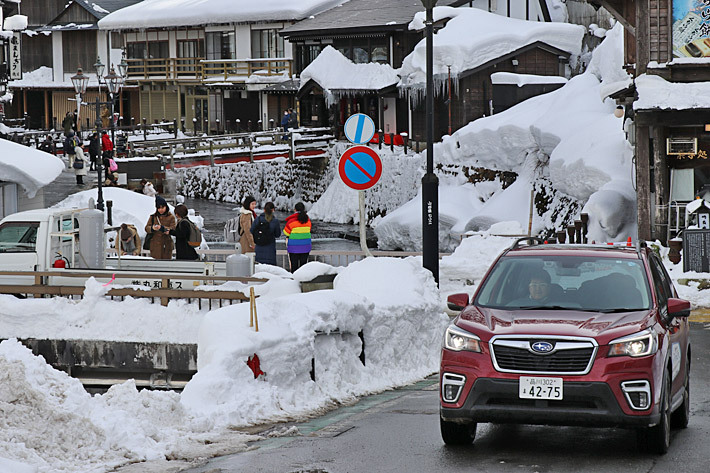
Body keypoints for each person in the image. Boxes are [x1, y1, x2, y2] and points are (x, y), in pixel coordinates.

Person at [283, 202, 312, 272]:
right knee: (303, 267)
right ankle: (303, 281)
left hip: (294, 247)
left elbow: (286, 232)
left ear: (295, 210)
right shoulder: (307, 220)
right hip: (305, 246)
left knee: (294, 267)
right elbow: (309, 230)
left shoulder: (291, 221)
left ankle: (294, 281)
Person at [250, 201, 281, 265]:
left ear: (264, 209)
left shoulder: (258, 219)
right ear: (273, 210)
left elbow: (251, 230)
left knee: (259, 270)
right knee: (270, 270)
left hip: (259, 247)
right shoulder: (275, 221)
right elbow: (278, 234)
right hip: (270, 249)